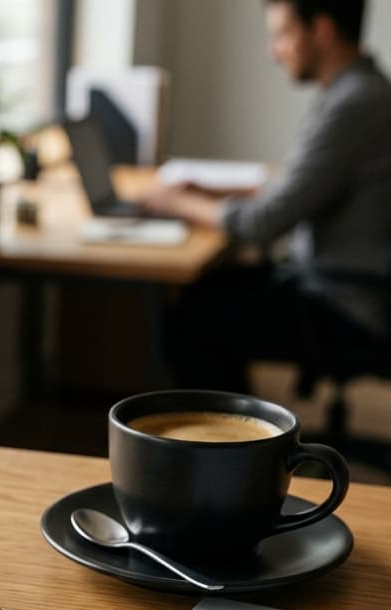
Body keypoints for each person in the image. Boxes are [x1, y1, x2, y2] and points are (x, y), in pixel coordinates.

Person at [142, 0, 391, 392]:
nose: (273, 50)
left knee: (187, 321)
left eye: (282, 34)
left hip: (345, 302)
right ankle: (241, 442)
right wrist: (211, 191)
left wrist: (172, 203)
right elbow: (296, 187)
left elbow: (264, 224)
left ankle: (242, 447)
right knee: (203, 295)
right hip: (335, 282)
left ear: (322, 31)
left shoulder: (355, 103)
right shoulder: (357, 90)